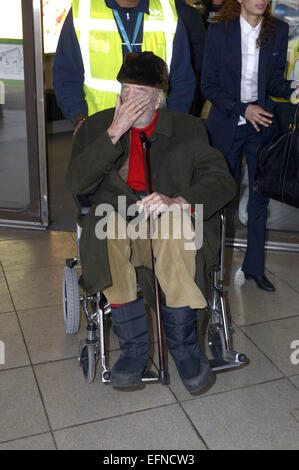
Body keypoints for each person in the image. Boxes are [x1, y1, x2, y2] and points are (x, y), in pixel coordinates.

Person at [66, 51, 236, 393]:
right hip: (119, 230)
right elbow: (77, 184)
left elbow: (221, 180)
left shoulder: (188, 129)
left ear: (158, 100)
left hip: (170, 236)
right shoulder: (98, 128)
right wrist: (113, 133)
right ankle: (134, 350)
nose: (129, 99)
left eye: (139, 92)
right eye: (124, 90)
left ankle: (185, 349)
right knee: (108, 225)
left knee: (174, 224)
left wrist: (178, 202)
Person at [201, 0, 299, 292]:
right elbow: (209, 85)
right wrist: (243, 109)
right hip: (228, 123)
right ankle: (210, 266)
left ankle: (254, 268)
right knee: (219, 197)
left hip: (263, 124)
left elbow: (273, 83)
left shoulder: (278, 30)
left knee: (260, 199)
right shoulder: (220, 32)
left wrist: (293, 88)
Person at [52, 0, 196, 135]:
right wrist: (79, 119)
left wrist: (170, 125)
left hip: (155, 134)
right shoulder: (83, 10)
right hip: (100, 131)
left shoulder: (167, 12)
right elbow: (66, 75)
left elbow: (182, 80)